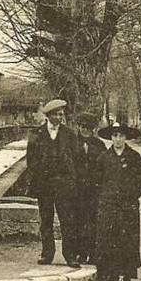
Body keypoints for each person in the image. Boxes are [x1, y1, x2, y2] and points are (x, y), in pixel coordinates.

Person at [94, 121, 141, 281]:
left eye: (121, 136)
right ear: (111, 138)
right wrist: (104, 195)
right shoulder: (104, 157)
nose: (118, 139)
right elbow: (96, 180)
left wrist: (134, 193)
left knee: (127, 239)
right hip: (109, 204)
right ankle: (109, 274)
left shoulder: (133, 157)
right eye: (115, 136)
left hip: (128, 205)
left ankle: (126, 274)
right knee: (108, 237)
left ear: (126, 138)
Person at [27, 99, 82, 268]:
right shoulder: (37, 134)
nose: (60, 117)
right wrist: (38, 175)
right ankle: (47, 254)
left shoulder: (69, 134)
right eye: (57, 114)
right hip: (44, 185)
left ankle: (70, 255)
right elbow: (31, 159)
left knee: (67, 220)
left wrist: (71, 179)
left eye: (62, 114)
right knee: (46, 220)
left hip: (64, 184)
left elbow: (76, 158)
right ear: (49, 115)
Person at [75, 112, 107, 264]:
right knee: (78, 221)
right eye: (82, 127)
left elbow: (104, 167)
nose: (84, 130)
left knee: (94, 221)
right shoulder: (73, 142)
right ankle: (81, 252)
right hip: (77, 190)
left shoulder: (99, 145)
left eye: (88, 127)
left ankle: (93, 253)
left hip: (94, 190)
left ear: (93, 129)